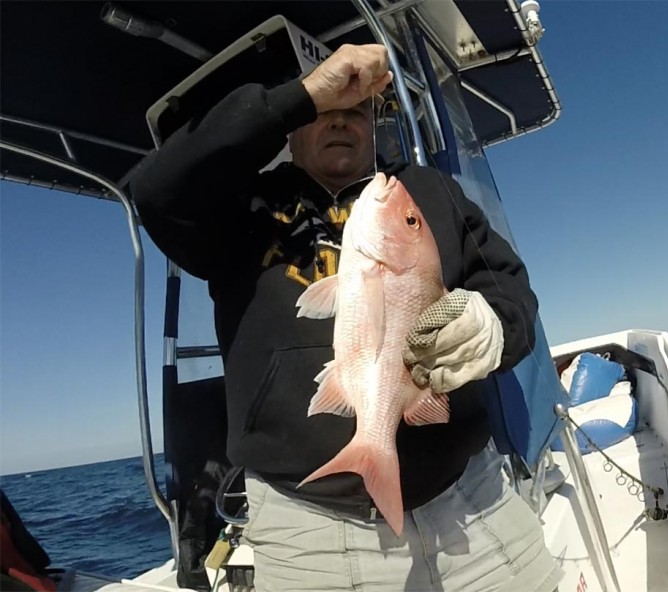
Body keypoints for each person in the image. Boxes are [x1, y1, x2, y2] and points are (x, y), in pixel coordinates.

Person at [130, 43, 562, 591]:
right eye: (323, 111)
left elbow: (508, 287)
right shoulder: (239, 208)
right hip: (309, 527)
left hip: (469, 499)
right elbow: (157, 191)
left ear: (375, 125)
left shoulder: (423, 192)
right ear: (291, 126)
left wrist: (495, 327)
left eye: (356, 111)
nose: (340, 121)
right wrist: (300, 95)